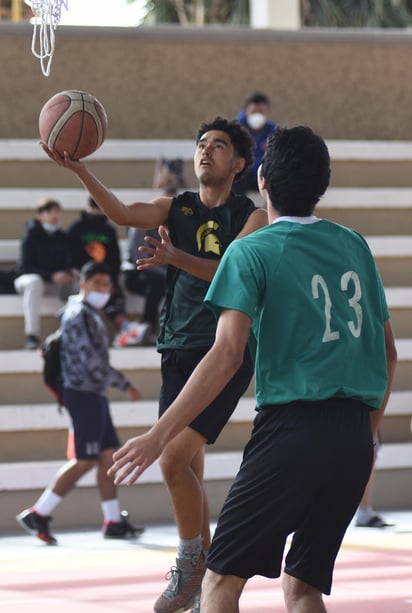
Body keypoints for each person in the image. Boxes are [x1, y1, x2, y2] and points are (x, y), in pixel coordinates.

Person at [107, 126, 397, 613]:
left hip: (293, 430)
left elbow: (226, 355)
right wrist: (366, 433)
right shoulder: (354, 245)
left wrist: (158, 436)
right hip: (353, 438)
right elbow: (389, 354)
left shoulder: (250, 250)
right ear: (321, 184)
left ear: (261, 178)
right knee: (302, 586)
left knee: (219, 582)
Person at [40, 116, 268, 612]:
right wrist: (80, 170)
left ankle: (191, 565)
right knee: (188, 467)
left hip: (226, 352)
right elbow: (122, 213)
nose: (205, 151)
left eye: (219, 145)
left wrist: (175, 256)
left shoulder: (251, 216)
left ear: (240, 163)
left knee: (170, 457)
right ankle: (206, 584)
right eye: (201, 143)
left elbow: (231, 270)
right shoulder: (177, 206)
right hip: (177, 346)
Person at [16, 261, 143, 546]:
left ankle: (112, 520)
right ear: (83, 284)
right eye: (97, 283)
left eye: (107, 284)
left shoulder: (88, 314)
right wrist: (125, 384)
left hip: (92, 393)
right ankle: (38, 512)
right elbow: (93, 362)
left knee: (108, 456)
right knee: (85, 459)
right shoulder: (78, 316)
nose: (103, 289)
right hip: (83, 393)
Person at [14, 198, 78, 350]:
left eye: (57, 211)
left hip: (52, 284)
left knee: (78, 281)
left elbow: (68, 264)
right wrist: (50, 276)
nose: (55, 215)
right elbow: (25, 267)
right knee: (34, 282)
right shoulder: (30, 236)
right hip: (28, 282)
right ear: (40, 215)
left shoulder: (63, 238)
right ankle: (32, 336)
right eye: (50, 211)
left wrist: (68, 274)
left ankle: (72, 333)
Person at [66, 196, 130, 336]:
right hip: (82, 275)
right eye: (93, 208)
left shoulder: (109, 230)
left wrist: (111, 278)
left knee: (113, 293)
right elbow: (69, 255)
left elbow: (114, 257)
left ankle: (124, 328)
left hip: (105, 273)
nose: (96, 212)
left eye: (99, 208)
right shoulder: (76, 229)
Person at [122, 227, 166, 345]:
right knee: (157, 285)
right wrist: (168, 274)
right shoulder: (139, 229)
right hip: (136, 273)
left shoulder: (164, 227)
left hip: (158, 274)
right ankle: (149, 328)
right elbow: (141, 259)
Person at [234, 91, 277, 194]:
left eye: (261, 112)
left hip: (264, 175)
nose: (258, 115)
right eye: (254, 111)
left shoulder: (272, 130)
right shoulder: (235, 129)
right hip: (243, 176)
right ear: (246, 111)